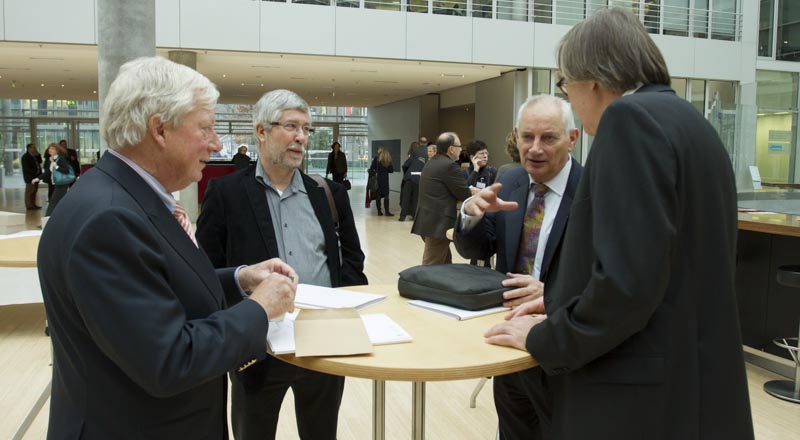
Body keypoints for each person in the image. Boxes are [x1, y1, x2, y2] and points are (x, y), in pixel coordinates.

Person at [484, 9, 754, 439]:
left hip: (636, 394)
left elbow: (627, 283)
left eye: (565, 85)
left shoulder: (628, 122)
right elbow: (665, 261)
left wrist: (548, 337)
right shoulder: (692, 124)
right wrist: (558, 298)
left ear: (590, 81)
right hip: (695, 381)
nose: (570, 98)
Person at [37, 56, 298, 440]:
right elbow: (170, 360)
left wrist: (240, 279)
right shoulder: (109, 221)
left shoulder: (123, 199)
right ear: (159, 130)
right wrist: (259, 308)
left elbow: (158, 286)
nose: (216, 143)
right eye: (206, 128)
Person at [197, 89, 368, 440]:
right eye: (291, 126)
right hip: (259, 347)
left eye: (306, 128)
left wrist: (343, 315)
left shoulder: (327, 193)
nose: (301, 137)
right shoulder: (226, 194)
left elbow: (352, 260)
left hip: (324, 344)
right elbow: (207, 273)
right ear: (261, 131)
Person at [454, 95, 582, 439]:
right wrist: (471, 215)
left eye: (548, 138)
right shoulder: (510, 182)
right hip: (510, 346)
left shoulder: (594, 193)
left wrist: (552, 295)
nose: (535, 148)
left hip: (564, 351)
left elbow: (611, 279)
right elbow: (478, 248)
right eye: (527, 137)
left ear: (572, 138)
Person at [411, 132, 471, 265]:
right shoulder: (449, 166)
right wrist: (475, 192)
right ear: (451, 149)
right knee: (430, 266)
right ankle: (421, 286)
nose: (461, 149)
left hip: (427, 220)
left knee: (444, 264)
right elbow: (465, 194)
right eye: (459, 146)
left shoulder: (432, 162)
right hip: (438, 224)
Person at [399, 141, 427, 221]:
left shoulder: (412, 155)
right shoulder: (425, 157)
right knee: (415, 198)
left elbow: (405, 165)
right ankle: (414, 215)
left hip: (408, 179)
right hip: (418, 179)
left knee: (405, 198)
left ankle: (402, 216)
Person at [42, 142, 72, 217]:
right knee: (60, 202)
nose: (50, 150)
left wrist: (56, 166)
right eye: (49, 148)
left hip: (61, 184)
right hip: (55, 184)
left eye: (52, 149)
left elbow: (66, 170)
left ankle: (47, 220)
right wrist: (37, 178)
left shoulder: (61, 159)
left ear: (57, 151)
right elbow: (47, 172)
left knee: (53, 202)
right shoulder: (49, 160)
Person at [369, 146, 394, 216]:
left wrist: (374, 172)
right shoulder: (388, 160)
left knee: (378, 195)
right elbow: (391, 170)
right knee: (386, 195)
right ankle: (387, 211)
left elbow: (371, 169)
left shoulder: (376, 159)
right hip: (385, 179)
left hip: (378, 179)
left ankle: (379, 212)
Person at [21, 143, 43, 210]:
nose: (35, 149)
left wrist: (38, 154)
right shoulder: (25, 157)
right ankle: (29, 205)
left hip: (36, 177)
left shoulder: (35, 156)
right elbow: (26, 168)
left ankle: (33, 204)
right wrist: (34, 172)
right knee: (29, 191)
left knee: (34, 191)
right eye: (33, 147)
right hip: (30, 177)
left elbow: (40, 161)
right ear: (29, 148)